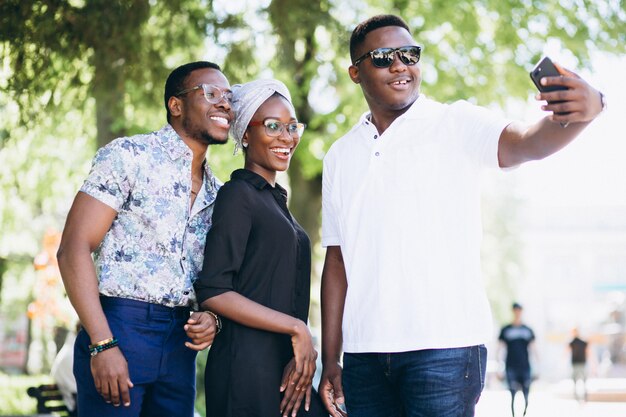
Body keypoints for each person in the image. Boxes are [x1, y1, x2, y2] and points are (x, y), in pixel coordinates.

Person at [318, 14, 606, 417]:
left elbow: (527, 142)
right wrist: (331, 358)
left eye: (409, 54)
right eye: (383, 57)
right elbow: (336, 261)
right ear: (355, 72)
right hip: (365, 356)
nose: (400, 65)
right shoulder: (339, 155)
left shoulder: (453, 122)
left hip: (445, 349)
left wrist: (586, 111)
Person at [56, 61, 232, 417]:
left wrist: (212, 318)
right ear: (176, 105)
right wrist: (101, 344)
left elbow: (209, 277)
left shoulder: (219, 192)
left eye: (230, 97)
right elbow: (73, 247)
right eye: (211, 93)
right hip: (120, 328)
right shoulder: (129, 156)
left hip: (180, 345)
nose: (225, 103)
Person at [194, 79, 328, 417]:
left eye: (292, 126)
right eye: (273, 126)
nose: (287, 137)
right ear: (245, 134)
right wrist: (297, 327)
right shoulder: (238, 195)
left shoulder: (274, 201)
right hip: (245, 368)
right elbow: (214, 290)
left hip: (283, 365)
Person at [498, 303, 537, 417]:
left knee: (526, 394)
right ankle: (513, 414)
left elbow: (534, 348)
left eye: (519, 310)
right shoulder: (506, 329)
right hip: (510, 366)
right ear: (513, 311)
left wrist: (537, 367)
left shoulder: (527, 330)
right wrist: (499, 366)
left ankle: (524, 413)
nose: (517, 312)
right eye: (515, 310)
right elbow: (500, 348)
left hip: (525, 366)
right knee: (512, 393)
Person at [569, 327, 589, 402]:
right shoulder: (571, 342)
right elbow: (567, 351)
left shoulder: (583, 342)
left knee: (583, 379)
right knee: (575, 380)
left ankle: (584, 395)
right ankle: (576, 396)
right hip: (575, 363)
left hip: (581, 363)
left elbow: (588, 352)